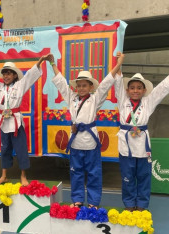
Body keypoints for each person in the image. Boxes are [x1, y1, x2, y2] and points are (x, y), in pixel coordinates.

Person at [48, 52, 125, 209]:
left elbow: (106, 83)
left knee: (93, 174)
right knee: (76, 173)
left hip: (91, 143)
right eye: (79, 85)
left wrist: (119, 64)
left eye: (85, 85)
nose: (81, 88)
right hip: (75, 142)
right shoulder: (72, 98)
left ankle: (93, 202)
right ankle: (77, 200)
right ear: (76, 87)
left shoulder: (95, 99)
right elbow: (61, 83)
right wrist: (52, 64)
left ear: (91, 87)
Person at [0, 51, 50, 186]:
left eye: (9, 73)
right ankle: (4, 175)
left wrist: (40, 61)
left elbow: (30, 75)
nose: (6, 76)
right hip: (4, 123)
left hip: (16, 123)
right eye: (4, 73)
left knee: (21, 149)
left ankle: (23, 176)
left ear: (15, 75)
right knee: (4, 149)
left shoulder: (19, 85)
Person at [115, 62, 169, 211]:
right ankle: (129, 204)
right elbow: (117, 84)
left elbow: (160, 91)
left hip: (142, 146)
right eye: (132, 88)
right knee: (127, 177)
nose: (135, 91)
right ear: (127, 90)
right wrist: (118, 64)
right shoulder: (122, 101)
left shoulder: (148, 102)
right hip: (126, 146)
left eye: (139, 88)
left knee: (144, 177)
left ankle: (142, 205)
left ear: (144, 90)